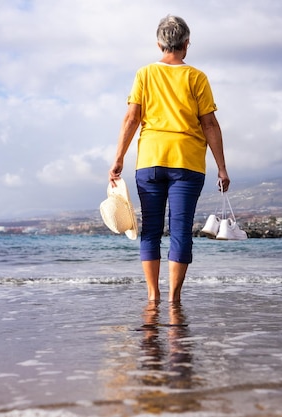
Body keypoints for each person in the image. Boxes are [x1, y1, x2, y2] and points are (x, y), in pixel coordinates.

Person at [109, 15, 230, 302]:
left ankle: (153, 296)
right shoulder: (196, 77)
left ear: (160, 44)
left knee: (150, 230)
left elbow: (131, 118)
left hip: (150, 160)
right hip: (187, 162)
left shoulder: (145, 74)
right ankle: (174, 299)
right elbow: (210, 124)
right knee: (180, 231)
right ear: (186, 44)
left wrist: (119, 158)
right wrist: (222, 168)